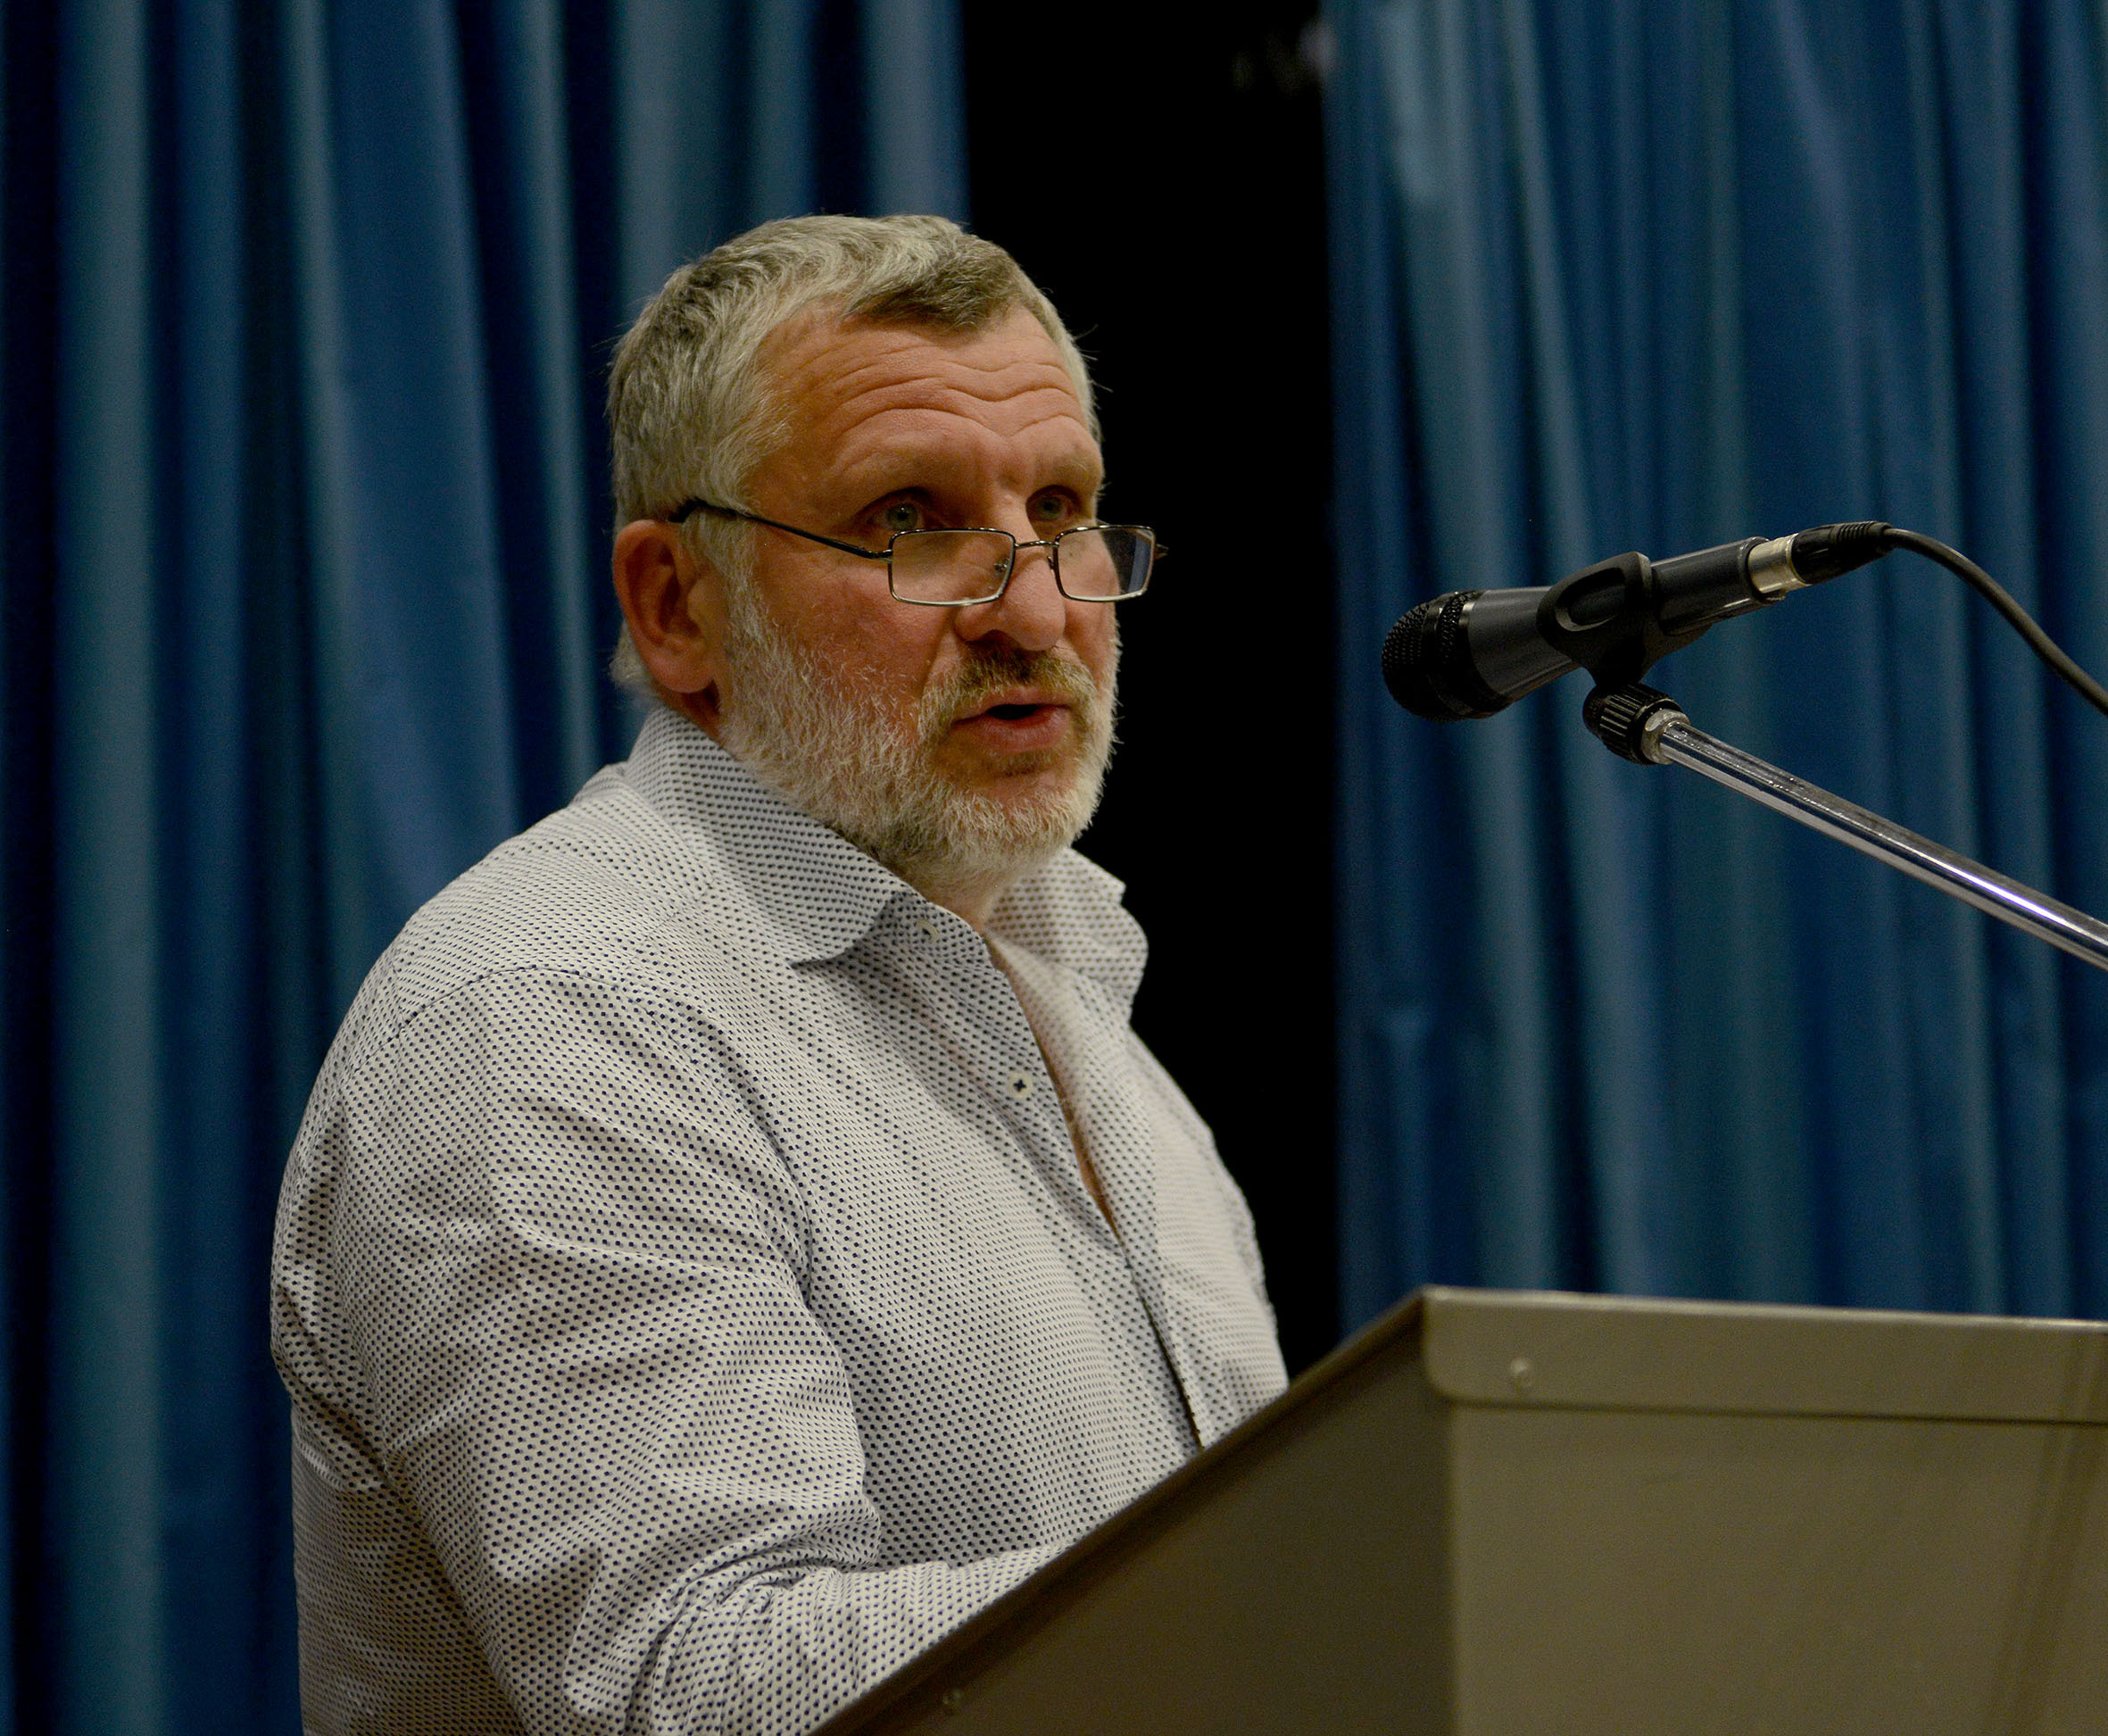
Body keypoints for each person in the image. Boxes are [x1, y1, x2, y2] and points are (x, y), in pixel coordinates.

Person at [270, 213, 1288, 1736]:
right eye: (910, 519)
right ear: (679, 605)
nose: (1032, 609)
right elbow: (693, 1685)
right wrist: (1334, 1576)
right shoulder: (553, 1017)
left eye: (1060, 509)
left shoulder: (1088, 1015)